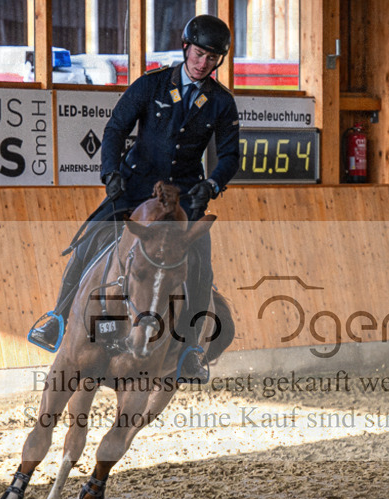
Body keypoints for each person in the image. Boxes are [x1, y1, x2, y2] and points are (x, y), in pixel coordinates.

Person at [28, 14, 240, 381]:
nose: (203, 63)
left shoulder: (221, 102)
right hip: (135, 188)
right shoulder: (151, 85)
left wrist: (213, 184)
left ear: (218, 61)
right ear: (186, 47)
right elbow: (114, 129)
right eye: (199, 54)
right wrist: (110, 173)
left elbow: (231, 155)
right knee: (87, 243)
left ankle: (190, 349)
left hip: (185, 199)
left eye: (212, 58)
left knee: (200, 262)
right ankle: (57, 318)